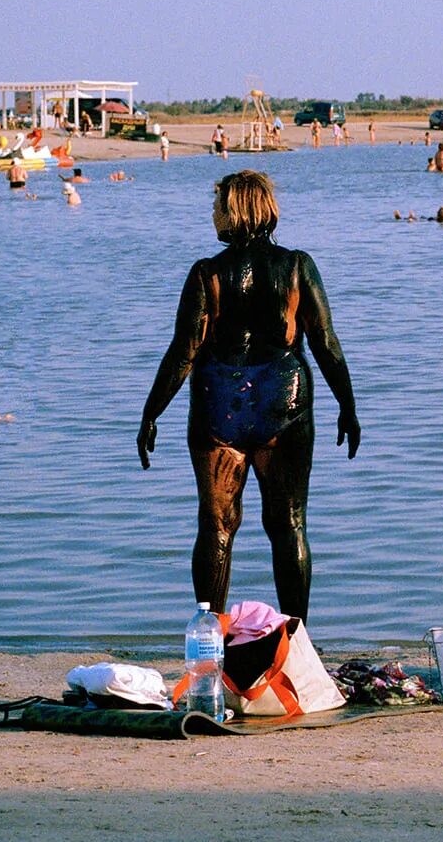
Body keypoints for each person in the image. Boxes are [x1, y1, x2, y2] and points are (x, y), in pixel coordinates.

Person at [137, 170, 361, 615]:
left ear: (236, 209)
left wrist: (151, 413)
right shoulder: (297, 266)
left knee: (216, 526)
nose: (213, 214)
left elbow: (184, 351)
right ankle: (296, 643)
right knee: (289, 524)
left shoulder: (207, 274)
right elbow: (325, 343)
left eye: (217, 205)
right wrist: (347, 406)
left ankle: (210, 639)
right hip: (285, 401)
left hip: (218, 405)